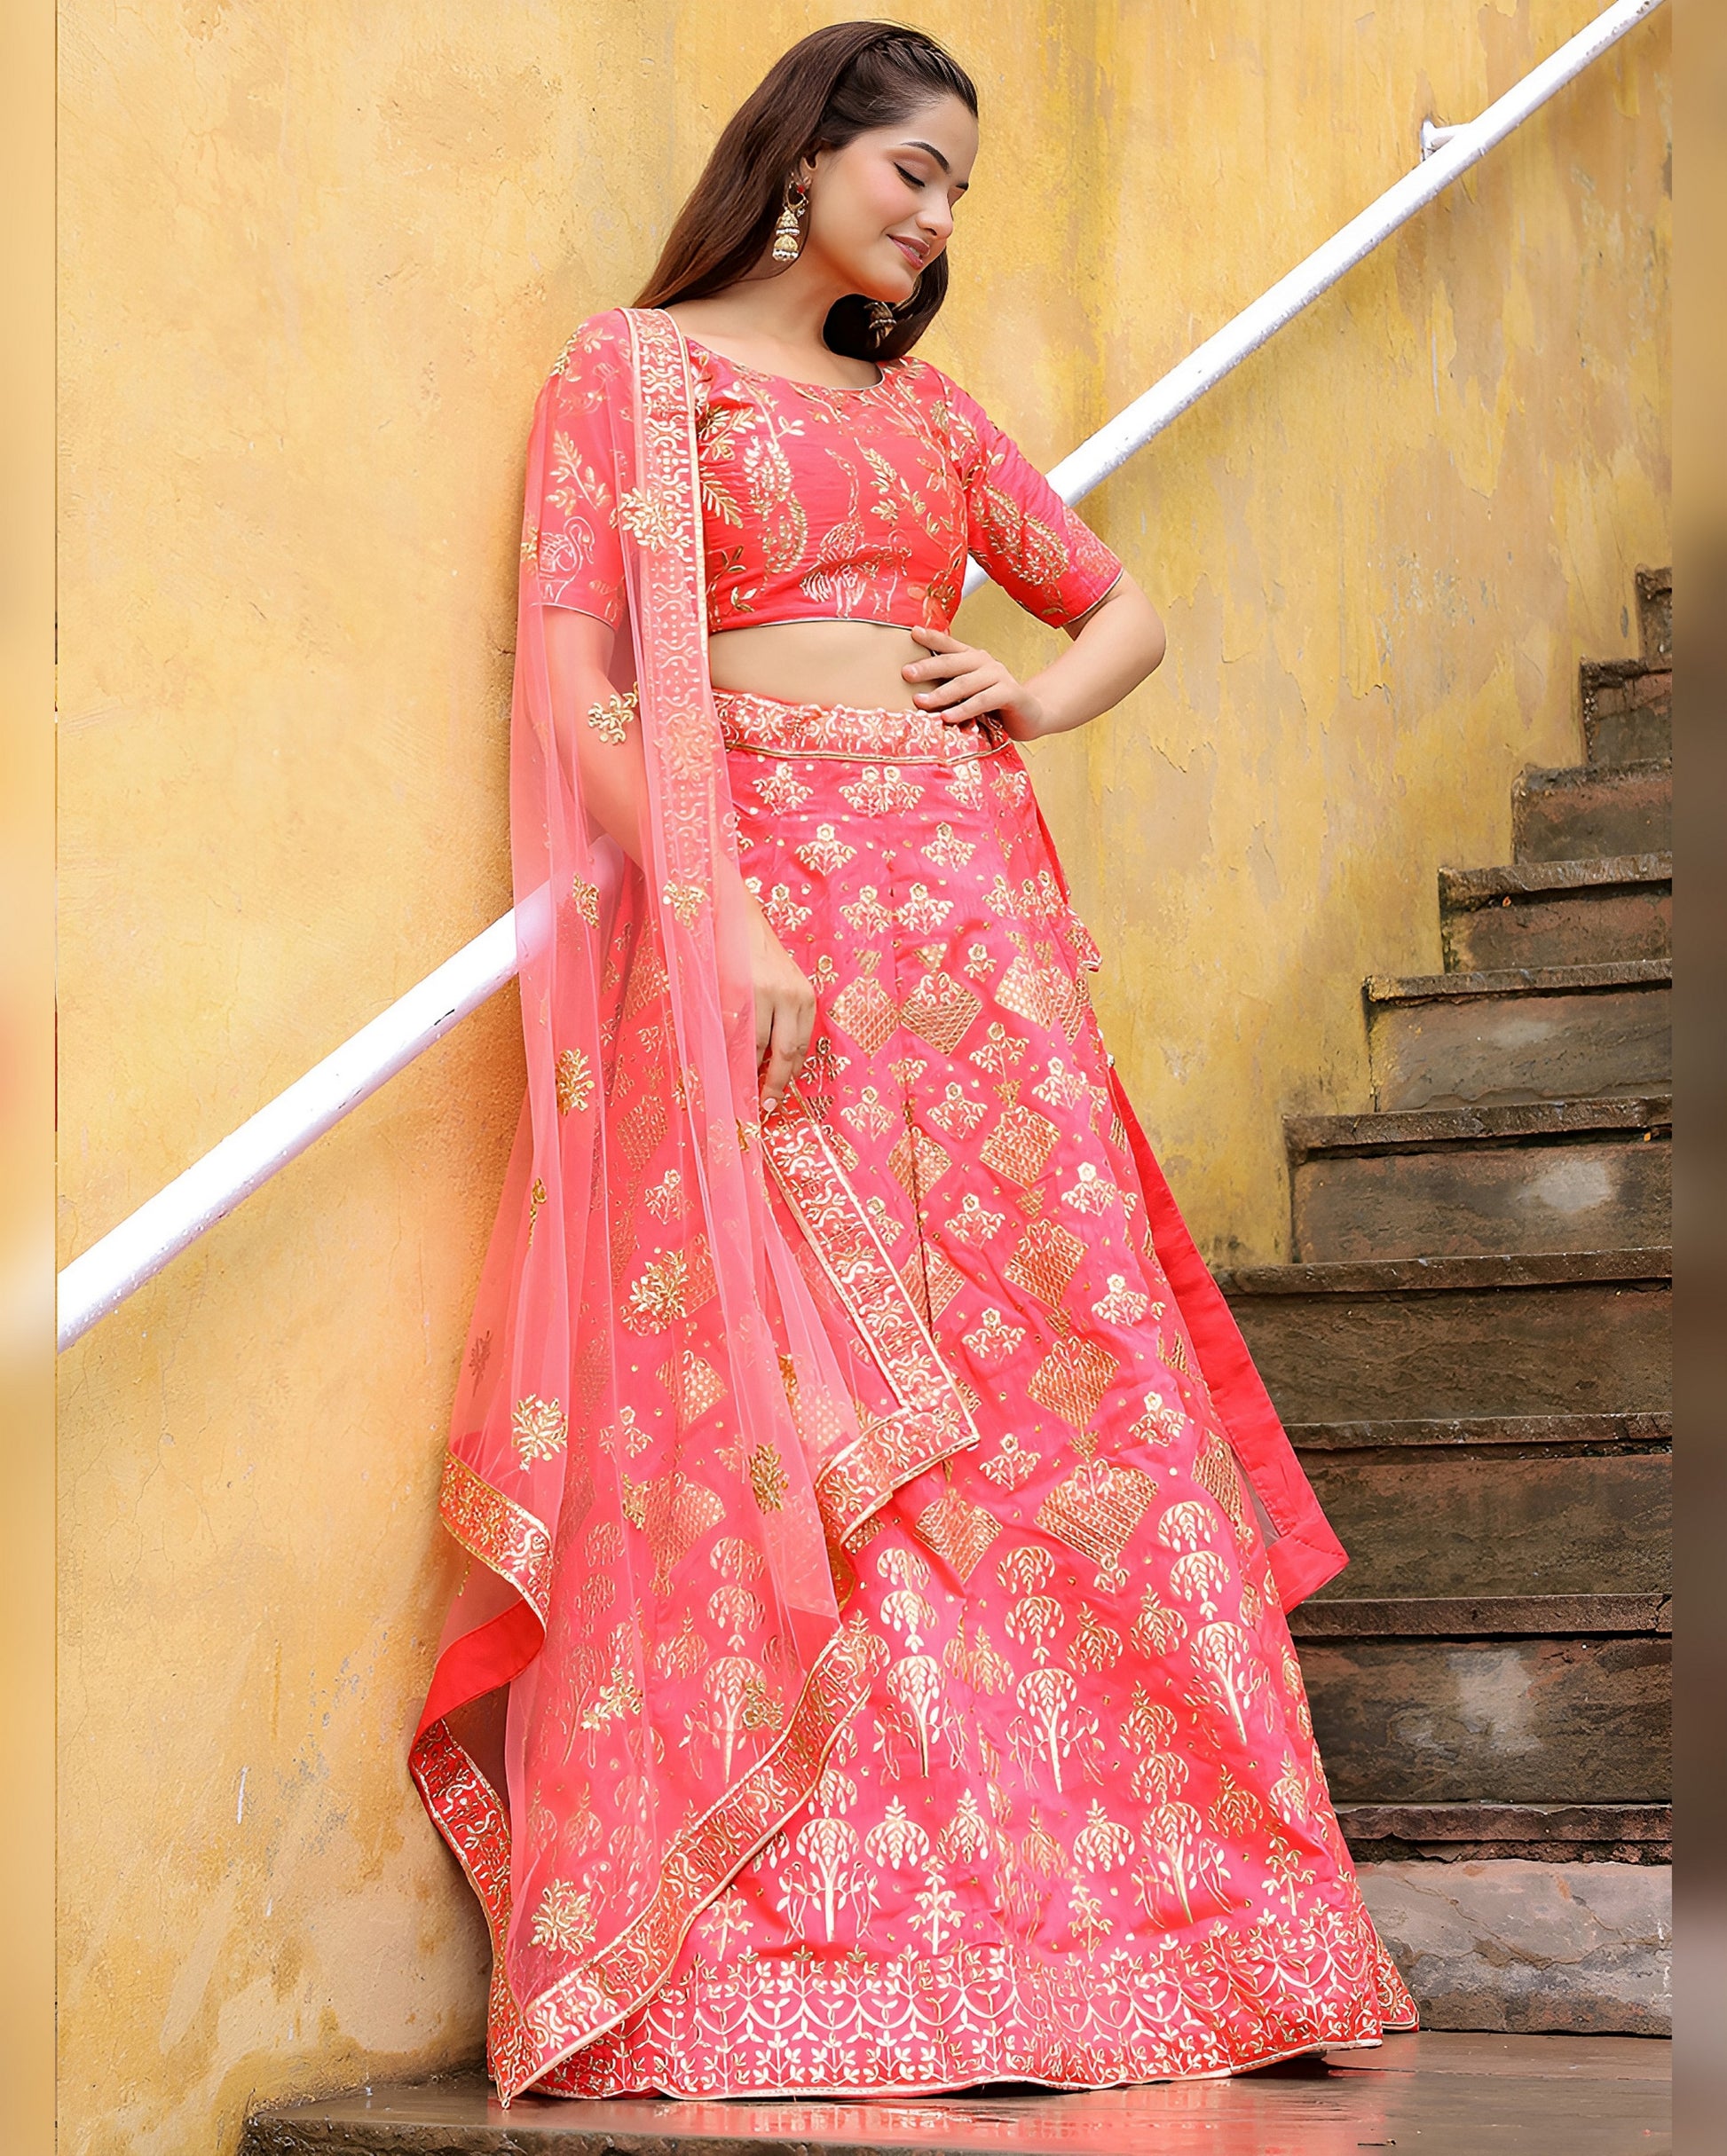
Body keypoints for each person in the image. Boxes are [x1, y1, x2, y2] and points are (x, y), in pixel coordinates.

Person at [411, 20, 1416, 2105]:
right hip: (769, 916)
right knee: (812, 1397)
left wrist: (1034, 701)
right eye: (916, 171)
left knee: (1056, 1382)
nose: (939, 215)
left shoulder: (933, 414)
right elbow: (584, 675)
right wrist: (722, 910)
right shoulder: (636, 376)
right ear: (804, 159)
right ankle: (818, 1917)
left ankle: (1159, 1918)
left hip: (975, 928)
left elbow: (1119, 606)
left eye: (959, 189)